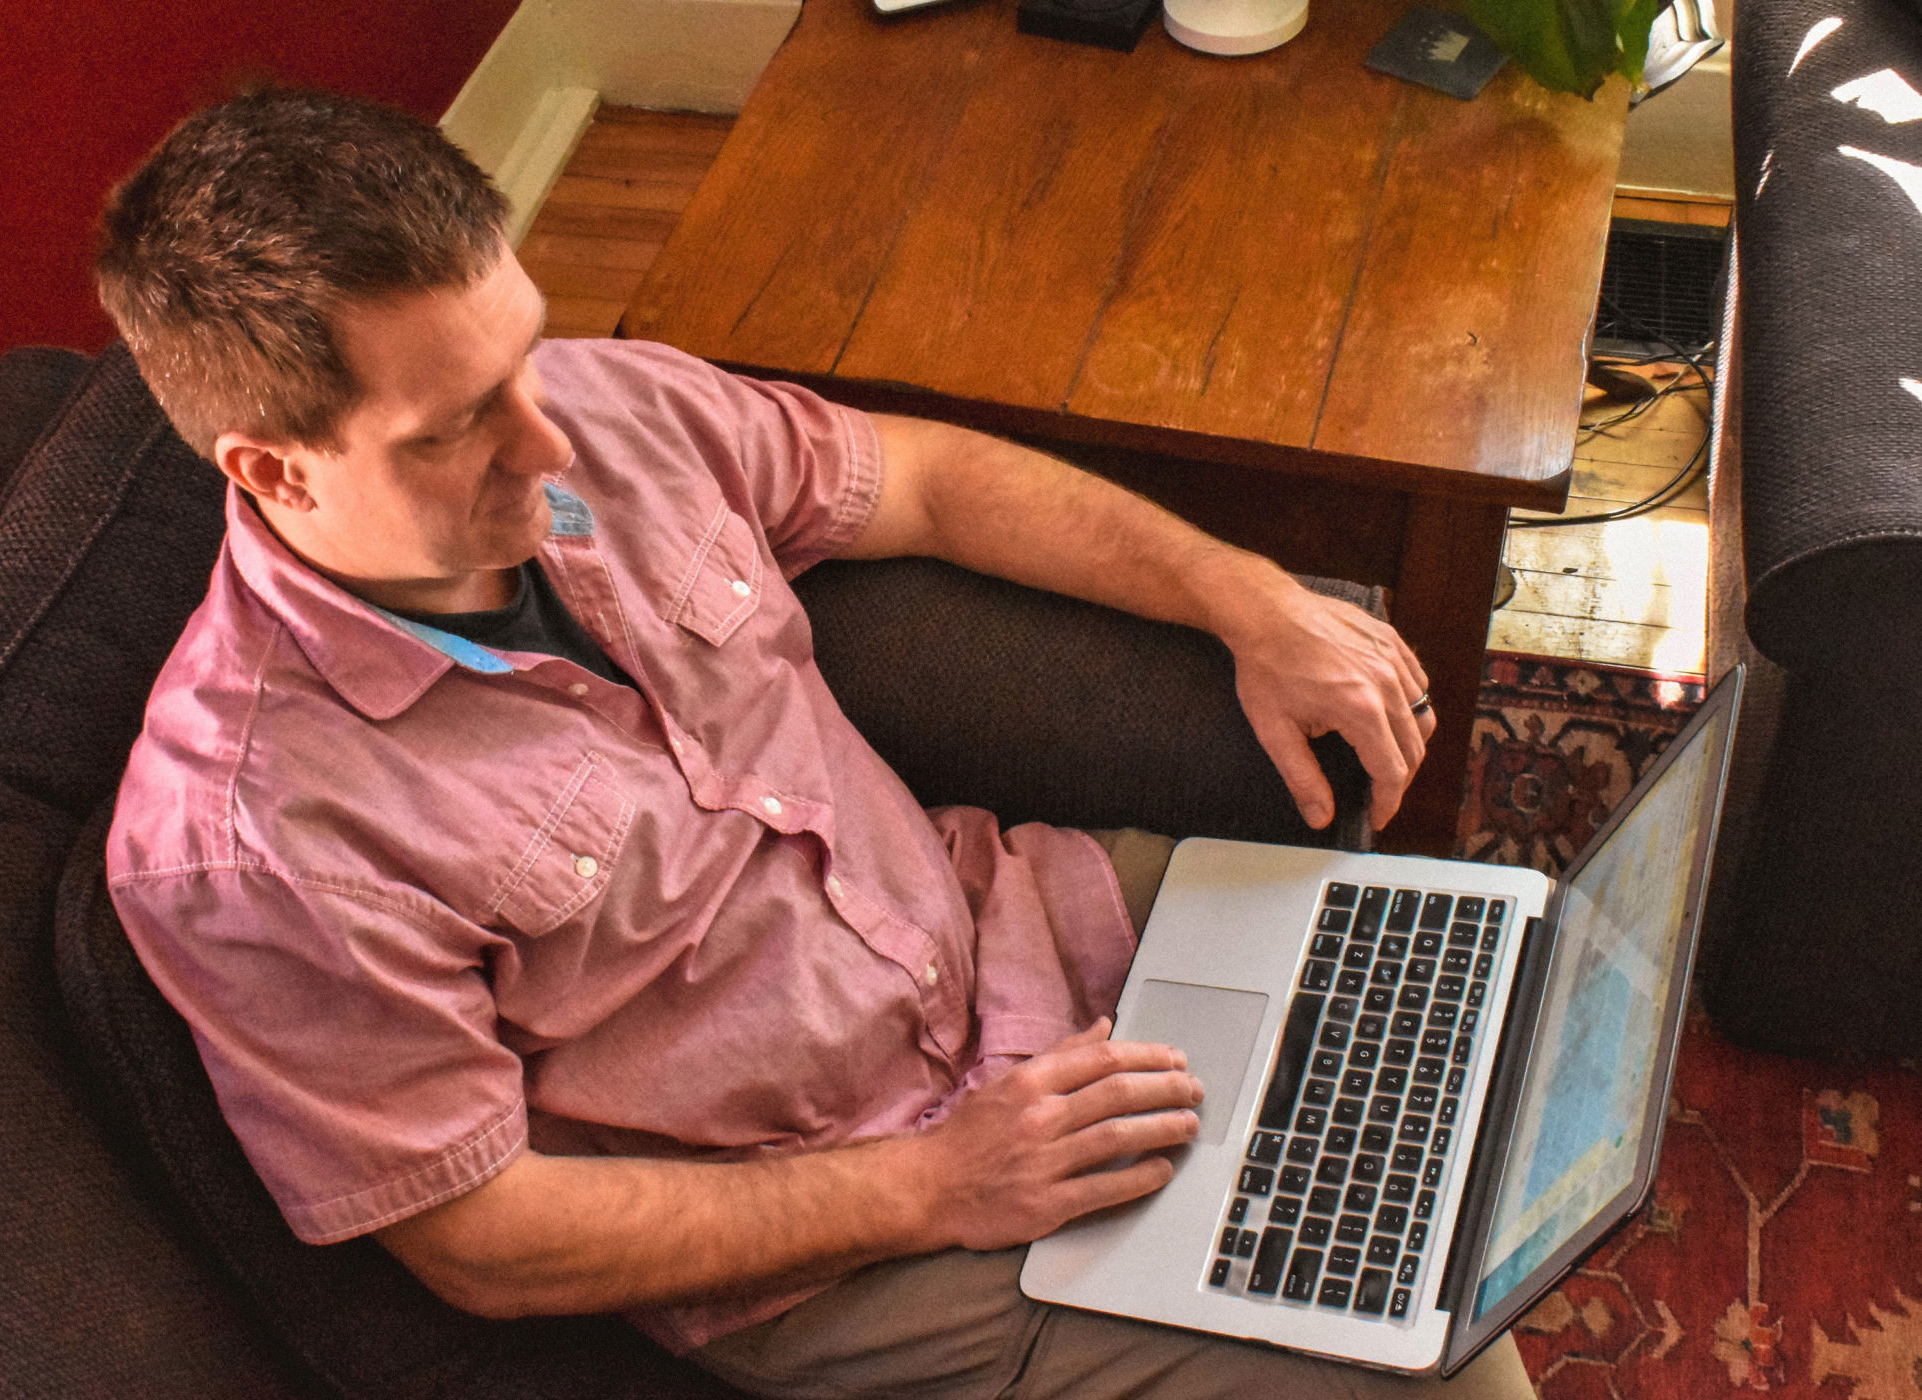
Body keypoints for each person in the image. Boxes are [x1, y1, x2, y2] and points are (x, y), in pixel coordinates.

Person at [98, 88, 1531, 1399]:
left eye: (525, 353)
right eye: (463, 424)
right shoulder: (249, 839)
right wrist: (939, 1184)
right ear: (277, 468)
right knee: (1444, 1364)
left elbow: (928, 482)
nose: (547, 440)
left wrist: (1245, 598)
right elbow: (485, 1238)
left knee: (1461, 1002)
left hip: (1014, 928)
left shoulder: (605, 412)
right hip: (860, 1242)